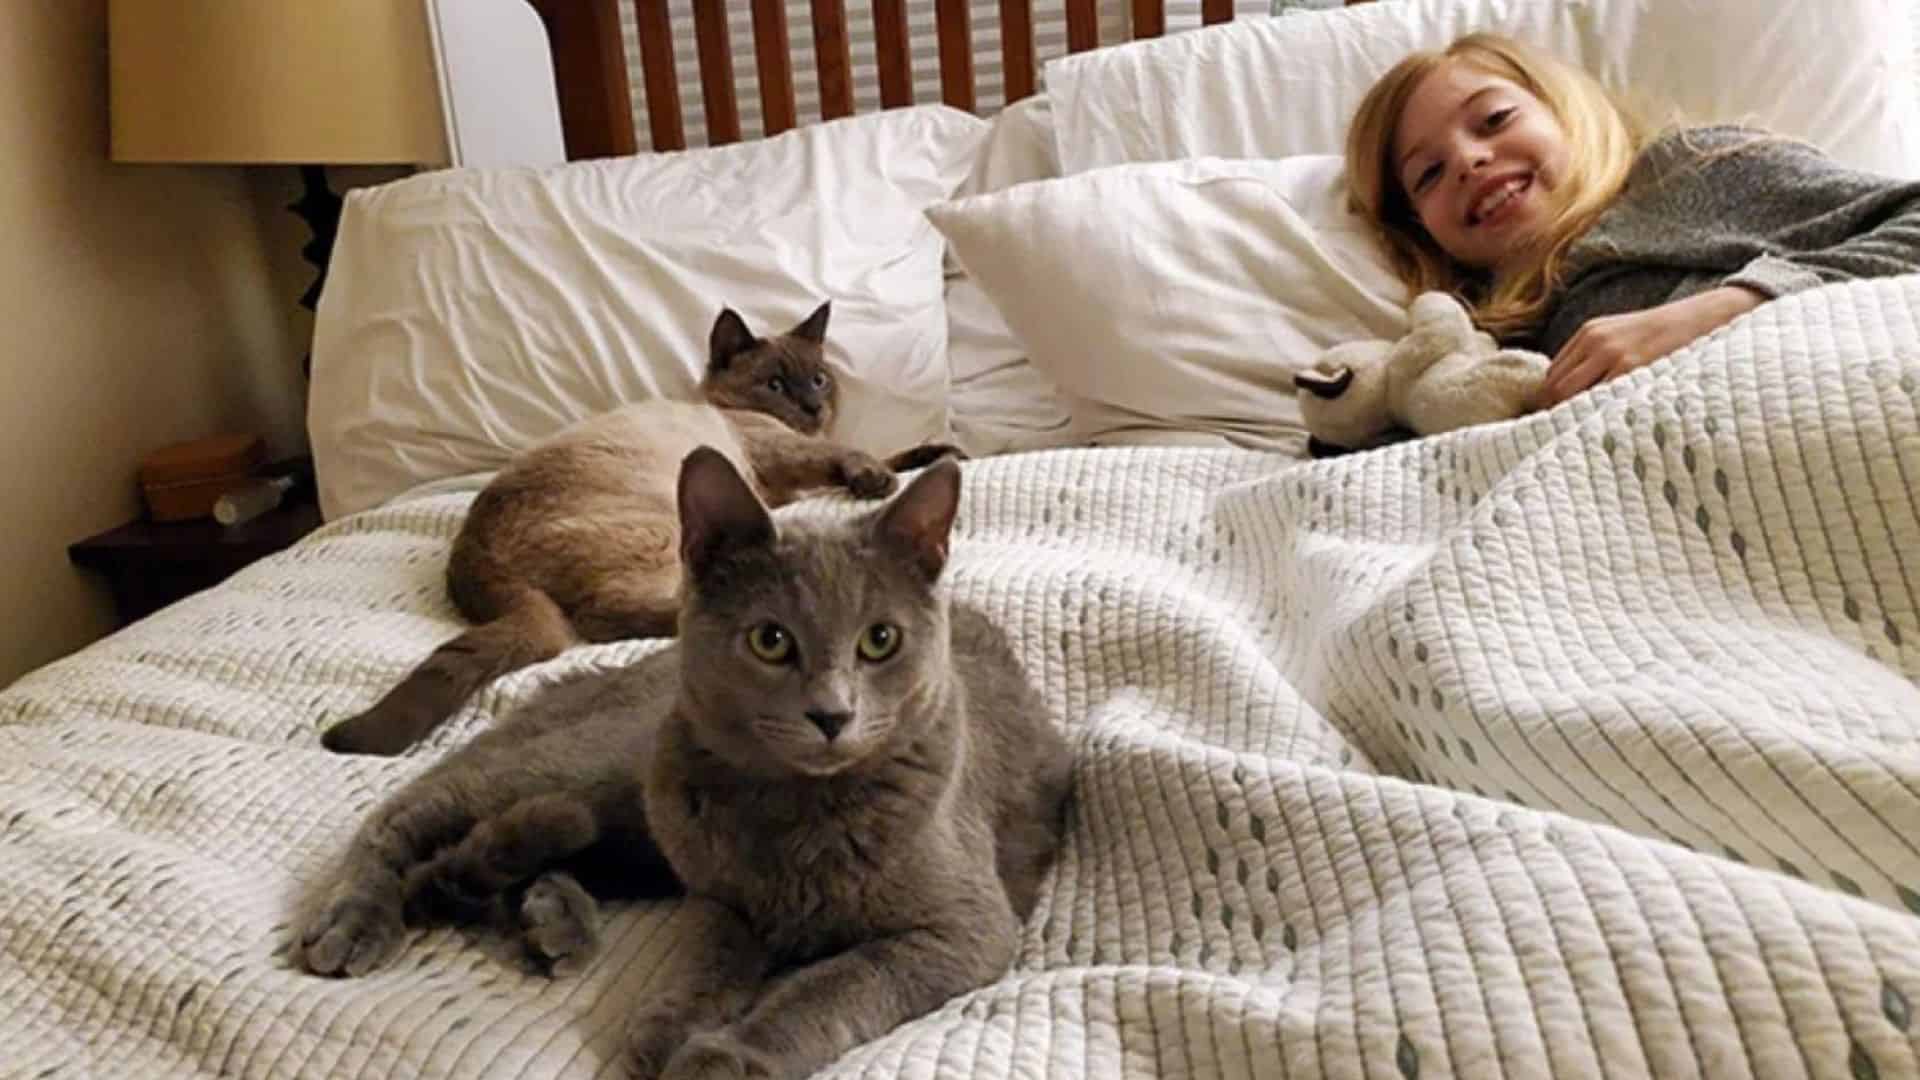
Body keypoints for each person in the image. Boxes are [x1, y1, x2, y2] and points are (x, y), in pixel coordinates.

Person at [1345, 32, 1920, 409]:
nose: (1469, 161)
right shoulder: (1479, 345)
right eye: (1428, 174)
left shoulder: (1689, 172)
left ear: (1563, 110)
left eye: (1494, 119)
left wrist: (1726, 308)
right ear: (1418, 226)